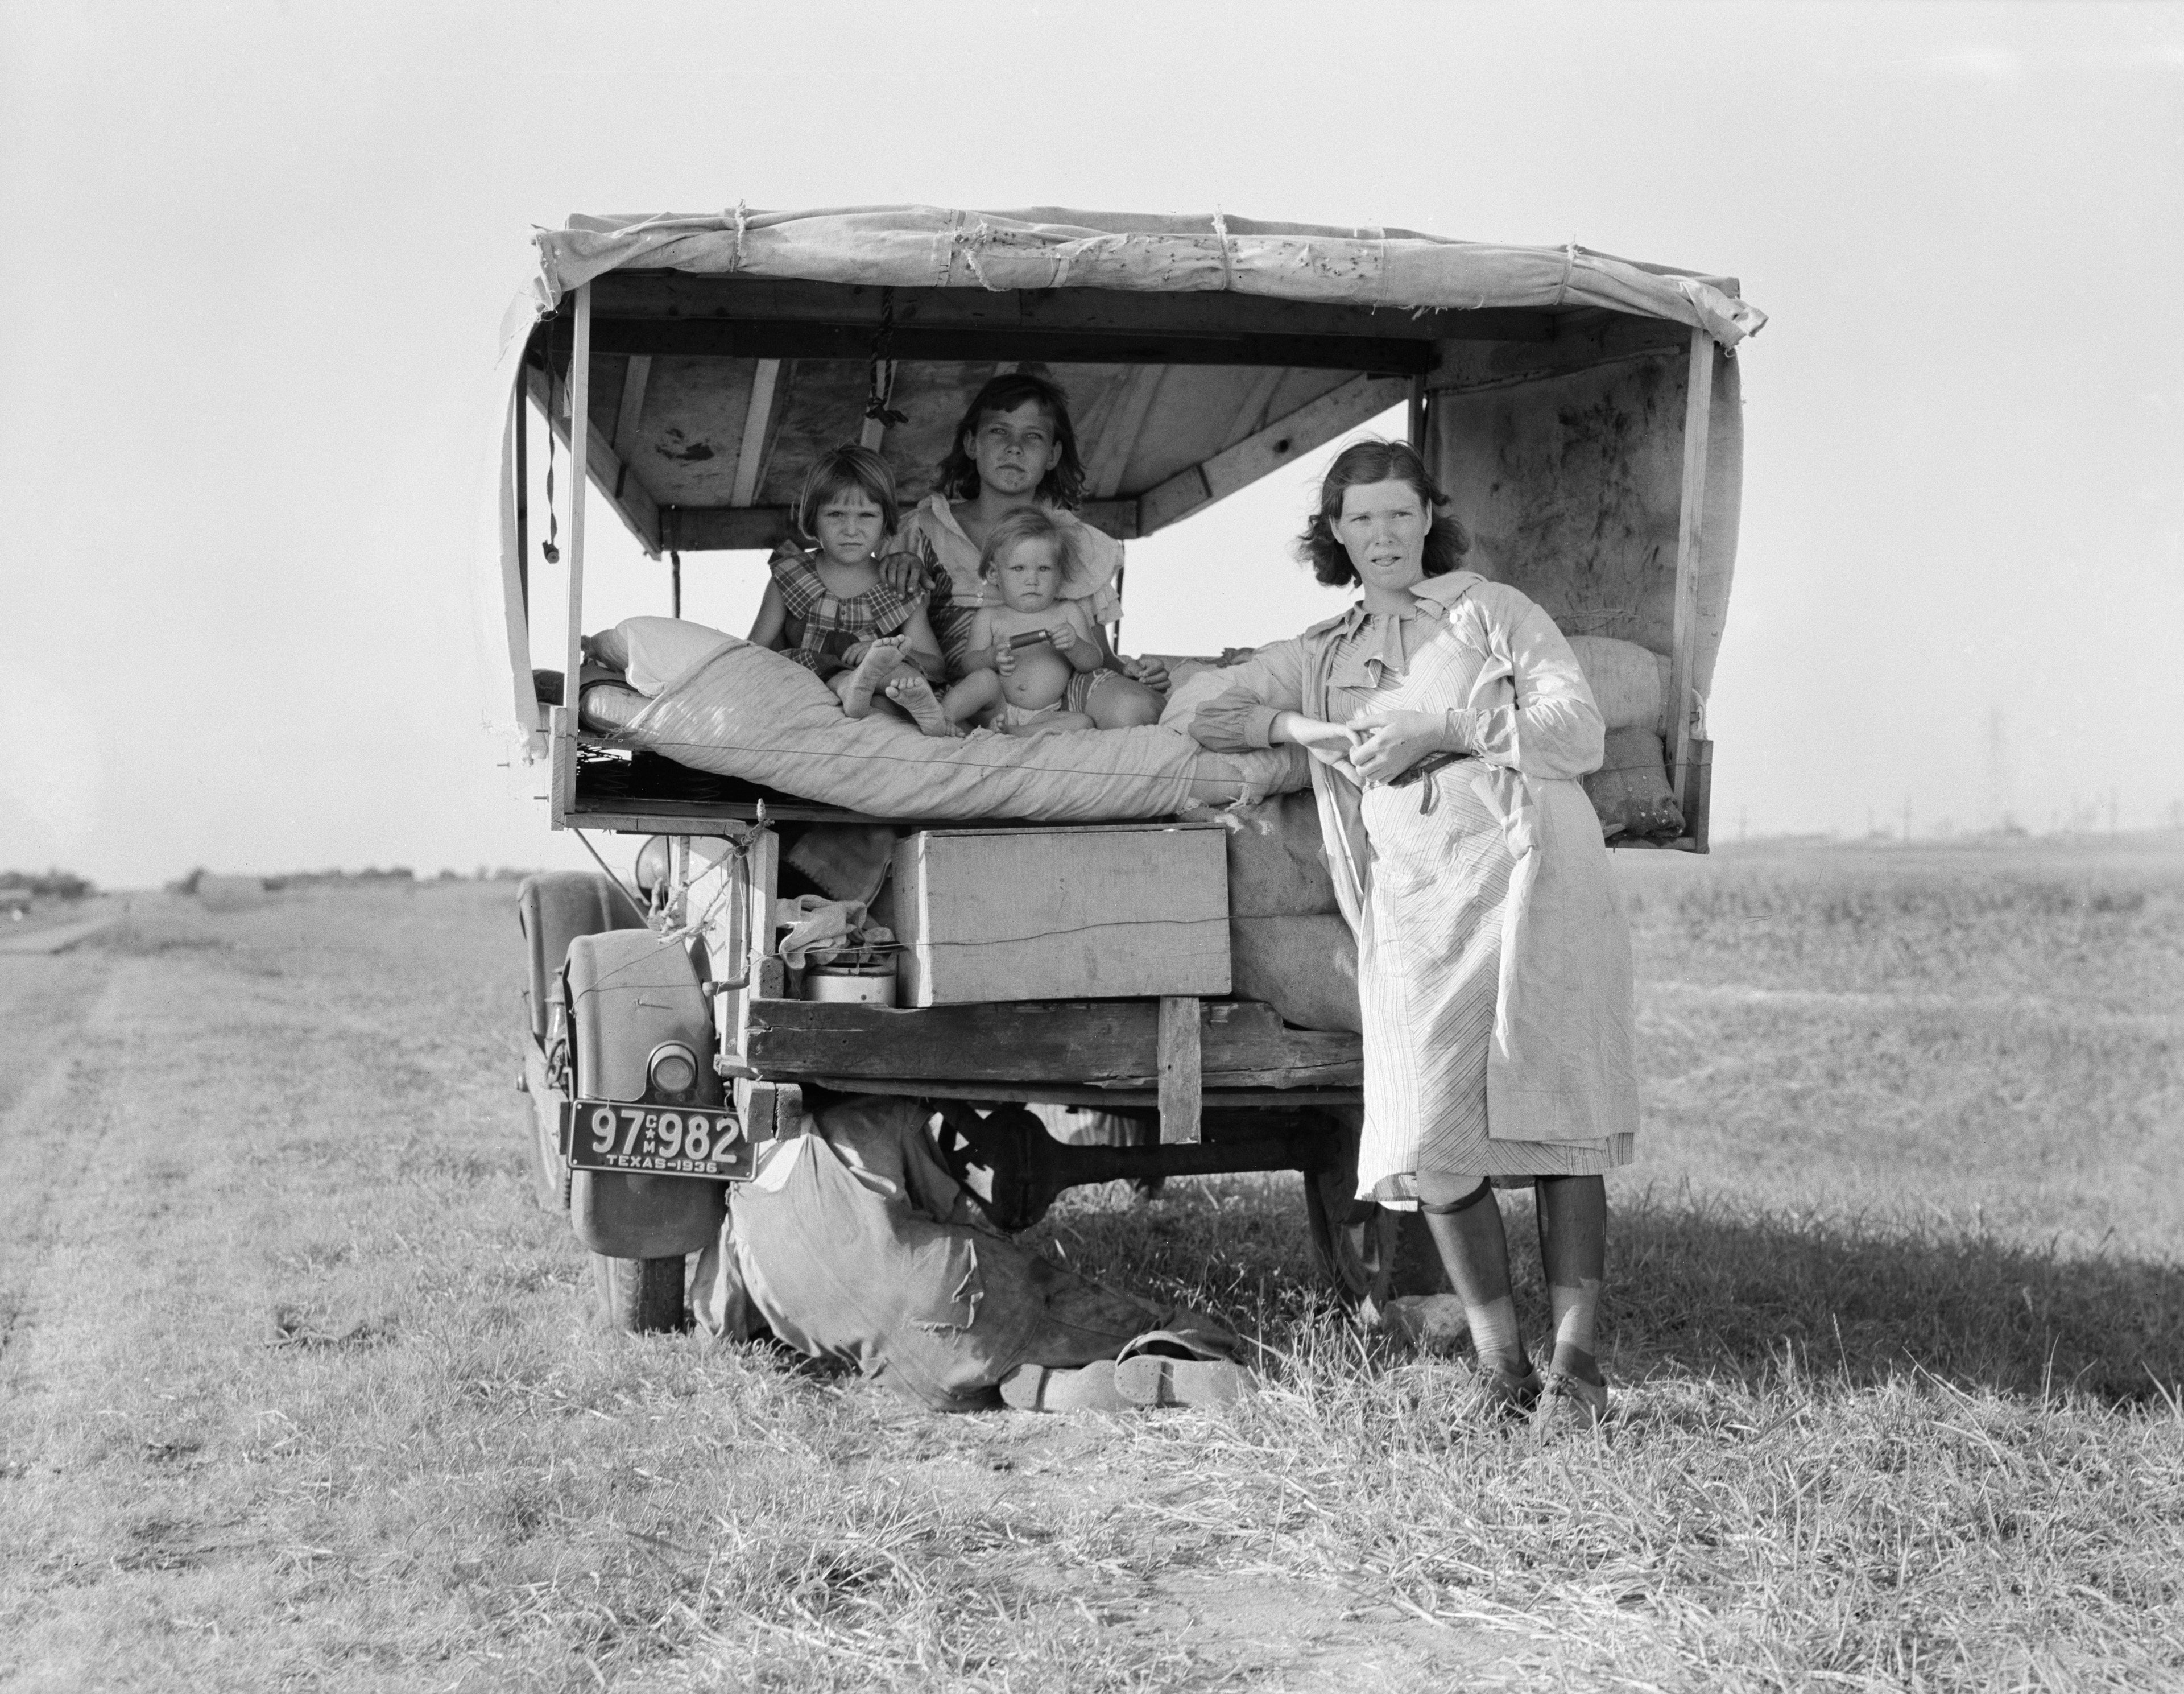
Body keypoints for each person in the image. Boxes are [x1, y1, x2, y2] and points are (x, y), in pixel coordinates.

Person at [1169, 440, 1639, 1430]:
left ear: (1429, 517)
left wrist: (1446, 731)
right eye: (1361, 518)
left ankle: (1576, 1371)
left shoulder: (1494, 613)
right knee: (1429, 1135)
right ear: (1333, 533)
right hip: (1416, 905)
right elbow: (1201, 710)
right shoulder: (1320, 653)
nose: (1382, 535)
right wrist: (1296, 731)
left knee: (1556, 1111)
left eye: (1399, 513)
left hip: (1534, 879)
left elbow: (1577, 730)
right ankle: (1501, 1367)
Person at [883, 370, 1168, 728]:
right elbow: (887, 627)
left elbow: (1100, 658)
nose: (1014, 448)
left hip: (1062, 697)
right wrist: (896, 564)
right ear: (972, 444)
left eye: (1033, 437)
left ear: (1053, 454)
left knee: (1136, 710)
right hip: (969, 696)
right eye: (999, 431)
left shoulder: (1076, 543)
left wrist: (1135, 672)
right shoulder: (925, 530)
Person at [747, 445, 955, 736]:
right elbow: (754, 650)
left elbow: (935, 666)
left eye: (867, 516)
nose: (851, 529)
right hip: (809, 697)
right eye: (835, 514)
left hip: (873, 705)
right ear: (812, 518)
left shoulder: (898, 585)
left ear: (886, 521)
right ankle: (850, 684)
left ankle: (923, 712)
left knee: (898, 682)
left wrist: (885, 653)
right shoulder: (790, 576)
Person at [940, 509, 1105, 736]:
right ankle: (943, 717)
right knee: (984, 679)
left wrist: (1075, 645)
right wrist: (989, 657)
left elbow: (1093, 662)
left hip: (1044, 714)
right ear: (995, 574)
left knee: (1083, 723)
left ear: (1060, 574)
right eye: (1019, 569)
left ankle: (1015, 732)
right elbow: (969, 663)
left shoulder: (1068, 612)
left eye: (1044, 569)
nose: (1032, 580)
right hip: (994, 707)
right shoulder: (990, 616)